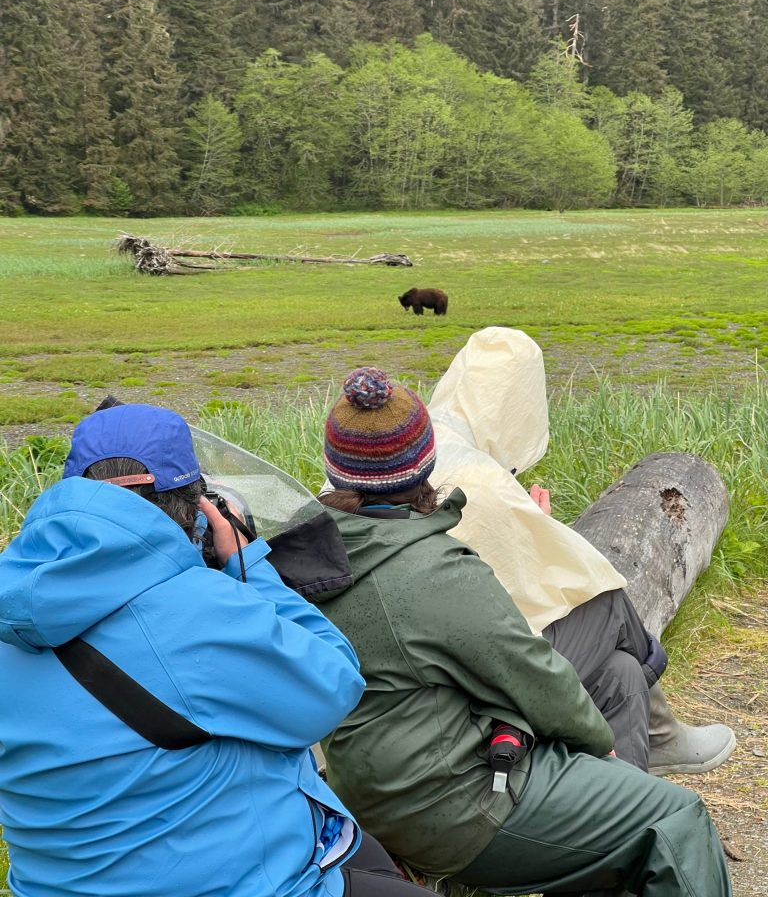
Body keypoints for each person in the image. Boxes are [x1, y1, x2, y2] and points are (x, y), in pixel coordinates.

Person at [315, 368, 732, 896]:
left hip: (389, 776)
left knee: (621, 676)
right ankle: (649, 753)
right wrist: (601, 752)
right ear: (426, 461)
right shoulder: (431, 569)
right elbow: (531, 672)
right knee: (677, 818)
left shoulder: (324, 545)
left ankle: (631, 776)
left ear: (336, 471)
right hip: (451, 802)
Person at [0, 403, 434, 897]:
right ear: (196, 507)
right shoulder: (200, 610)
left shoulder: (8, 607)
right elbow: (334, 682)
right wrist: (250, 566)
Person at [426, 326, 735, 776]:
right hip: (466, 678)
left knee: (621, 672)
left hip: (451, 651)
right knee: (604, 598)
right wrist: (539, 529)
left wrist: (524, 526)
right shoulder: (473, 471)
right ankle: (660, 729)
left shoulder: (431, 439)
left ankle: (630, 799)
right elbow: (541, 580)